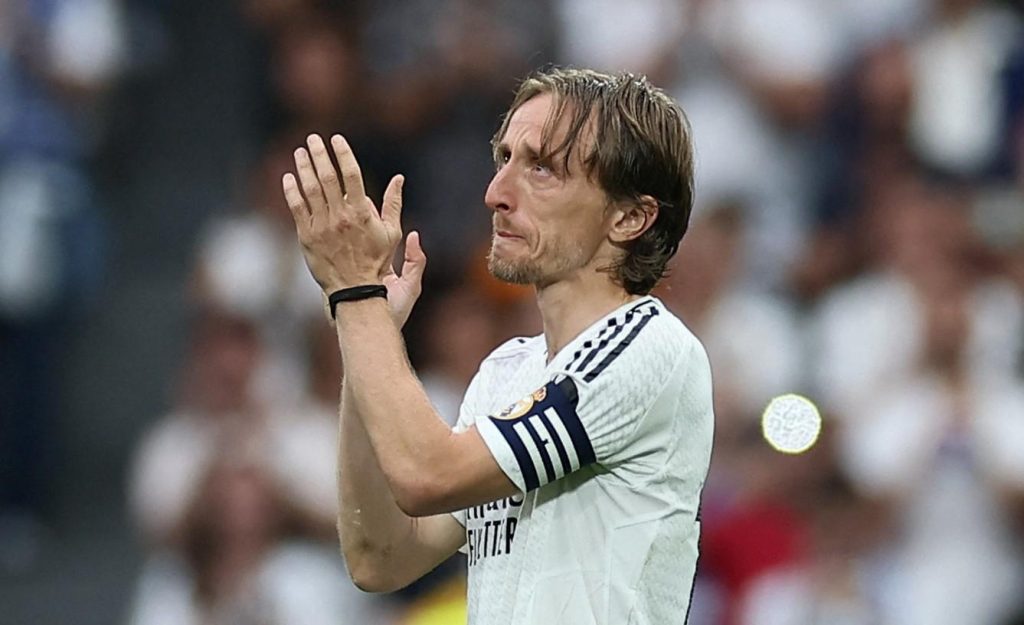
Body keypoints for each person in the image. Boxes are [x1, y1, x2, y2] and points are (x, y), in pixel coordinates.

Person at [280, 67, 714, 624]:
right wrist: (365, 327)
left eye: (542, 168)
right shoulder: (506, 372)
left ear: (630, 217)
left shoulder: (648, 349)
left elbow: (425, 475)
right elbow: (379, 557)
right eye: (504, 159)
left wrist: (358, 294)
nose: (495, 194)